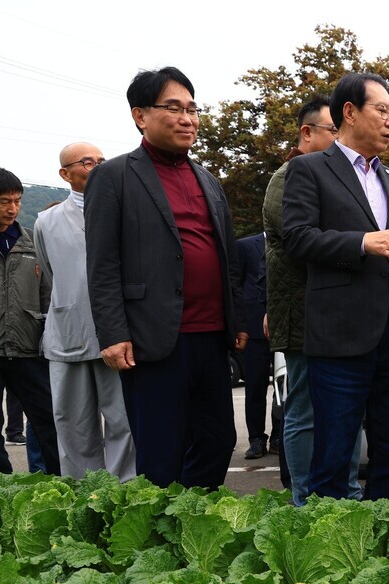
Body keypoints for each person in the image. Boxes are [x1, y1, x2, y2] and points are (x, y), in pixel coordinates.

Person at [84, 67, 248, 490]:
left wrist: (237, 318)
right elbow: (102, 263)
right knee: (161, 450)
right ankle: (160, 527)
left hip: (211, 335)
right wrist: (113, 333)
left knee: (218, 439)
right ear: (140, 116)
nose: (187, 119)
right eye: (173, 108)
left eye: (192, 109)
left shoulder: (207, 179)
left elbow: (227, 256)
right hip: (152, 337)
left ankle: (194, 515)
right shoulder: (114, 176)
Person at [282, 72, 389, 511]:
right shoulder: (309, 169)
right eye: (382, 111)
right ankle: (334, 541)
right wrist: (362, 242)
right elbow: (297, 238)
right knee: (334, 452)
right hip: (339, 334)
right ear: (349, 112)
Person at [261, 95, 362, 505]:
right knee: (304, 409)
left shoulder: (339, 175)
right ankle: (304, 499)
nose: (342, 138)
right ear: (307, 133)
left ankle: (346, 494)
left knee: (345, 409)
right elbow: (303, 240)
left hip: (336, 313)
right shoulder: (289, 176)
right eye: (334, 130)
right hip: (302, 312)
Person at [33, 142, 137, 481]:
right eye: (88, 162)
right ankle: (83, 492)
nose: (98, 166)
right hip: (69, 331)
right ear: (65, 174)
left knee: (124, 419)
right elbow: (51, 274)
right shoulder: (46, 221)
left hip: (119, 333)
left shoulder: (126, 210)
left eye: (102, 160)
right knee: (72, 423)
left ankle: (126, 490)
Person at [0, 167, 61, 476]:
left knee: (51, 421)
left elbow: (49, 294)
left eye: (17, 201)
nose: (12, 208)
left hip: (30, 349)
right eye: (3, 201)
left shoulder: (31, 241)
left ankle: (61, 485)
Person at [236, 231, 281, 460]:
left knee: (282, 388)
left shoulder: (289, 241)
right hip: (254, 329)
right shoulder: (245, 246)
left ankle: (278, 437)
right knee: (255, 386)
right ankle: (256, 438)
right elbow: (237, 285)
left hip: (283, 328)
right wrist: (240, 325)